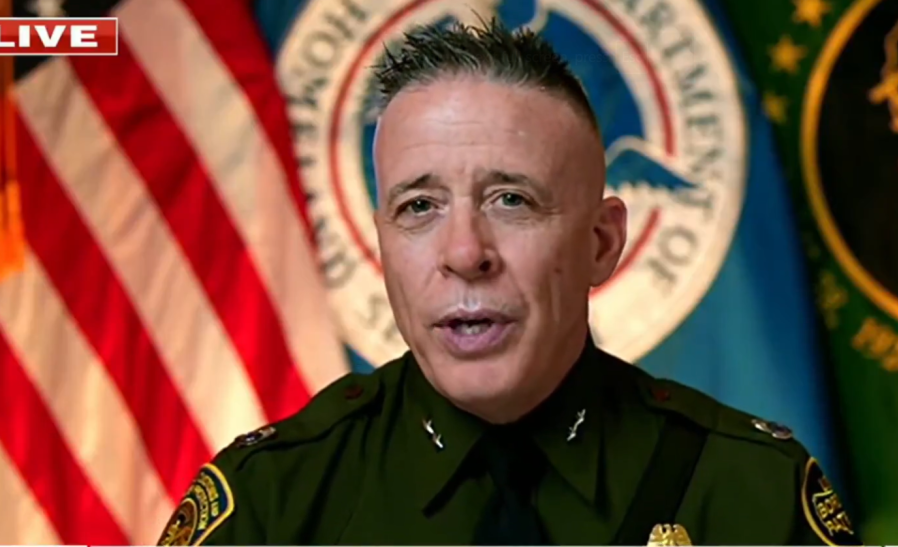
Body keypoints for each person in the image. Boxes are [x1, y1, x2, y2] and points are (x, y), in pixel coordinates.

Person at [156, 18, 860, 547]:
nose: (465, 252)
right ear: (383, 243)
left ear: (601, 243)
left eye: (511, 200)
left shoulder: (750, 492)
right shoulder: (274, 504)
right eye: (419, 207)